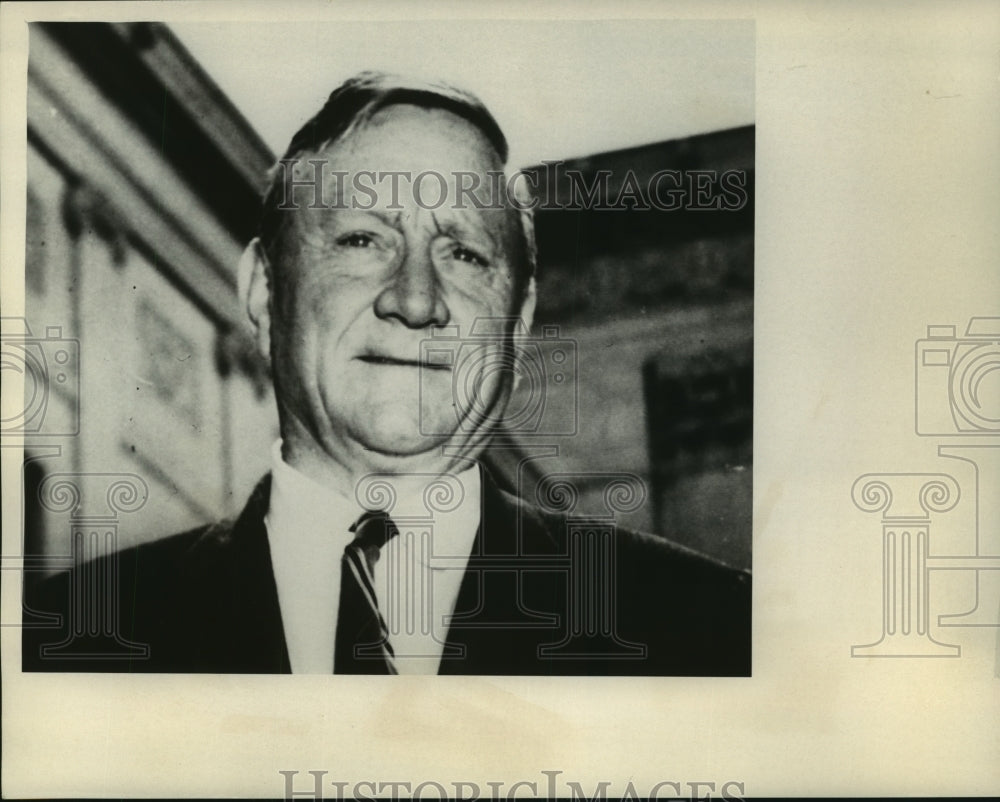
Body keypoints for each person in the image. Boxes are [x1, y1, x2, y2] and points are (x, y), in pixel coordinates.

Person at [23, 72, 750, 676]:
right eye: (363, 239)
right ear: (264, 290)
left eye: (464, 254)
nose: (414, 300)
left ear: (519, 318)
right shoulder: (62, 645)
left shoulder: (713, 633)